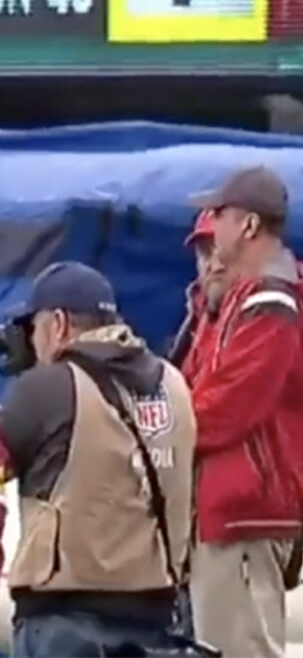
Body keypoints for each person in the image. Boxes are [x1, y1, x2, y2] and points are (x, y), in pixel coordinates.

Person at [0, 261, 196, 656]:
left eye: (33, 329)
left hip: (64, 622)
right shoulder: (175, 385)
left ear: (58, 324)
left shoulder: (48, 387)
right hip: (160, 617)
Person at [186, 165, 303, 658]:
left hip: (246, 514)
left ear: (247, 226)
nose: (210, 224)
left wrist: (158, 431)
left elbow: (228, 406)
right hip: (231, 515)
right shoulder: (240, 301)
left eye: (218, 215)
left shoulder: (270, 303)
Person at [166, 208, 227, 374]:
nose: (214, 264)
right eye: (205, 253)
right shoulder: (196, 313)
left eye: (222, 252)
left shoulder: (261, 318)